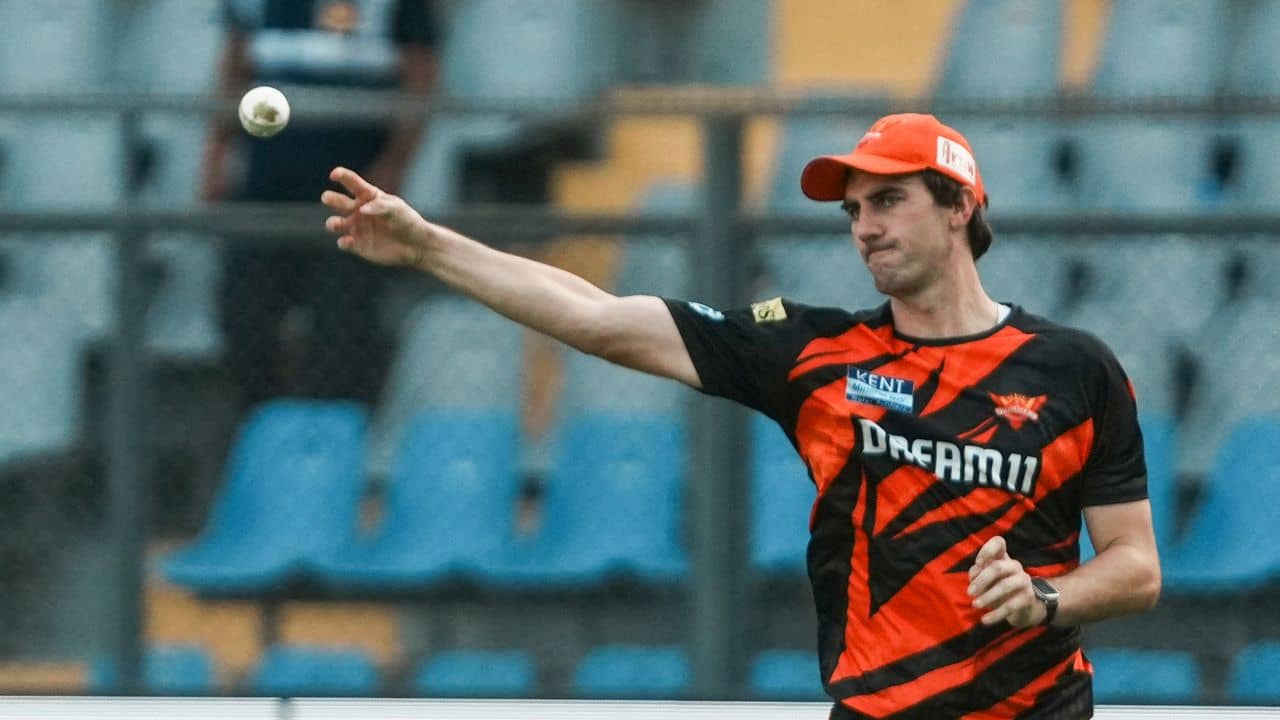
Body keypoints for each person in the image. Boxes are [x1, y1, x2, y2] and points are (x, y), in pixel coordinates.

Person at [320, 113, 1161, 718]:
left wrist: (1046, 595)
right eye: (854, 210)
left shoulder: (1076, 370)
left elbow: (1136, 567)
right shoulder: (815, 352)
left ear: (959, 205)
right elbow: (600, 320)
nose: (865, 228)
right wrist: (431, 247)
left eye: (889, 200)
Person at [204, 0, 439, 408]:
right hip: (265, 192)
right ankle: (263, 419)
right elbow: (236, 64)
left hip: (352, 201)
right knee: (244, 318)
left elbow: (420, 75)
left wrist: (393, 166)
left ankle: (328, 431)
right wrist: (216, 155)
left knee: (342, 331)